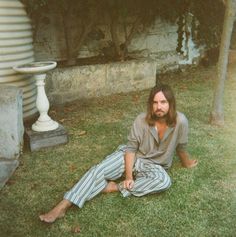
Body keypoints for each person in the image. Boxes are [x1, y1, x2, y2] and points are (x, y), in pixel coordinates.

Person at [39, 83, 198, 224]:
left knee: (164, 182)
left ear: (171, 104)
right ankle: (62, 206)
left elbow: (181, 146)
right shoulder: (141, 120)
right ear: (150, 104)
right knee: (98, 170)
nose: (159, 106)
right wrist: (129, 176)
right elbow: (130, 149)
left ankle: (112, 187)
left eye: (163, 102)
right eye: (155, 102)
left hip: (154, 165)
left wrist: (187, 162)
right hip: (132, 156)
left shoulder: (181, 121)